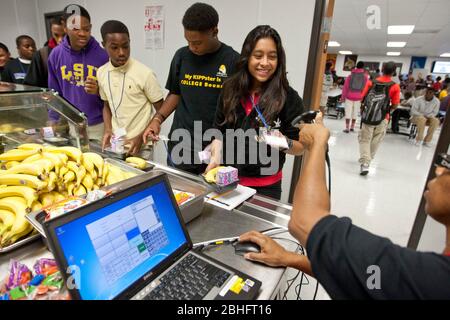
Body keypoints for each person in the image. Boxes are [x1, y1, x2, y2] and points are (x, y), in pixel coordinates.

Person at [238, 120, 450, 299]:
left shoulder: (434, 279)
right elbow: (369, 277)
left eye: (448, 164)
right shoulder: (421, 281)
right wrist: (290, 258)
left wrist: (317, 144)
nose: (439, 169)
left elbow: (305, 222)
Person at [204, 25, 305, 200]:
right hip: (229, 182)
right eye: (258, 56)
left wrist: (285, 142)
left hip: (266, 189)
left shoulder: (289, 97)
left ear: (279, 60)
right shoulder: (229, 89)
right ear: (247, 57)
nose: (265, 63)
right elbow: (218, 132)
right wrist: (215, 156)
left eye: (272, 57)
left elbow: (301, 147)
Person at [143, 2, 240, 174]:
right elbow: (175, 93)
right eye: (188, 41)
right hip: (180, 147)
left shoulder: (233, 61)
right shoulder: (182, 56)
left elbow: (235, 110)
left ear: (214, 32)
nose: (192, 47)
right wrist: (157, 119)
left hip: (215, 151)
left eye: (197, 42)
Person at [97, 20, 164, 158]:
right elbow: (106, 105)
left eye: (125, 46)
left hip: (141, 145)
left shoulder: (145, 73)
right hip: (116, 145)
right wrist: (108, 129)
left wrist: (141, 136)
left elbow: (161, 112)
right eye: (114, 47)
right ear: (104, 45)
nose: (121, 52)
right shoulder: (101, 72)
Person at [47, 4, 108, 140]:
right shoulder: (56, 55)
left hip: (99, 124)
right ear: (65, 27)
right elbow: (54, 91)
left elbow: (112, 94)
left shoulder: (103, 56)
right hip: (73, 123)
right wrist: (53, 118)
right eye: (76, 29)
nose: (82, 33)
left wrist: (99, 90)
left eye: (86, 29)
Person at [358, 61, 400, 176]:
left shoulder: (371, 82)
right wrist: (387, 110)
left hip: (368, 116)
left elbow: (362, 98)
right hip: (383, 117)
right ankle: (368, 160)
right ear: (394, 72)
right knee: (376, 140)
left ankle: (365, 163)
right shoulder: (395, 86)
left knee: (365, 139)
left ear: (382, 69)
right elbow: (396, 104)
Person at [25, 17, 65, 88]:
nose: (60, 40)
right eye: (56, 35)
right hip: (51, 97)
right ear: (51, 32)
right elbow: (31, 85)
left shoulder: (79, 52)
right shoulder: (42, 55)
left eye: (64, 35)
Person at [340, 61, 370, 133]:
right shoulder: (365, 77)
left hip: (349, 96)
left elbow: (345, 88)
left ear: (356, 66)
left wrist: (343, 98)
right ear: (363, 67)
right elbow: (366, 88)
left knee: (348, 112)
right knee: (355, 112)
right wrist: (363, 97)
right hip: (359, 97)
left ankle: (347, 128)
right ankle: (352, 127)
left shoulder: (350, 76)